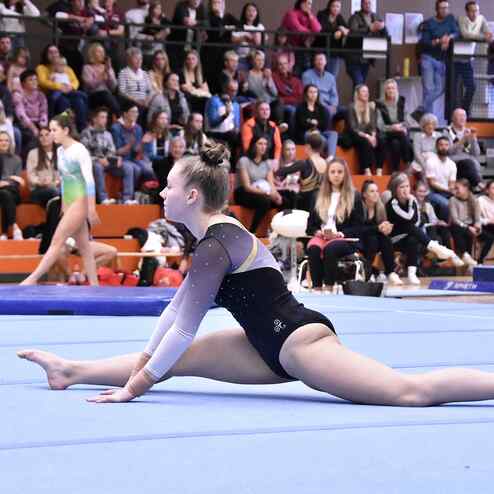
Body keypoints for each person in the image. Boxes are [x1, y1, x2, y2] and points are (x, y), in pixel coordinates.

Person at [18, 142, 494, 409]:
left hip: (300, 343)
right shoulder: (212, 240)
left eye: (168, 186)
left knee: (408, 393)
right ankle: (70, 371)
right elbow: (174, 313)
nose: (161, 192)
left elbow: (185, 329)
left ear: (191, 197)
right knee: (169, 361)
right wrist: (145, 364)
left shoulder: (216, 243)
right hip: (260, 344)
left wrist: (134, 388)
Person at [20, 111, 100, 285]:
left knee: (56, 241)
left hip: (81, 200)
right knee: (85, 248)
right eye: (50, 130)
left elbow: (89, 180)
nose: (51, 134)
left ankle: (31, 279)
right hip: (70, 201)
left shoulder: (79, 150)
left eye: (54, 130)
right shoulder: (61, 151)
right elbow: (64, 180)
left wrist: (91, 208)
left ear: (66, 130)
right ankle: (95, 285)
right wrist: (64, 206)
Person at [386, 173, 462, 285]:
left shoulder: (412, 201)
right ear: (395, 189)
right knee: (410, 227)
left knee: (413, 239)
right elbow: (409, 218)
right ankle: (436, 248)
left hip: (409, 235)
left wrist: (411, 202)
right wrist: (411, 202)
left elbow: (416, 220)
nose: (405, 190)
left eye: (407, 186)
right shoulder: (392, 203)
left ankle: (412, 273)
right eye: (402, 187)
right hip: (395, 239)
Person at [305, 157, 363, 291]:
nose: (336, 175)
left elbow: (359, 226)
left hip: (344, 239)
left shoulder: (355, 196)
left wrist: (340, 234)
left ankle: (329, 287)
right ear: (328, 175)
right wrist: (317, 232)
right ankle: (317, 288)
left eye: (339, 172)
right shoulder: (317, 195)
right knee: (313, 249)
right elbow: (310, 225)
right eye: (333, 172)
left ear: (345, 174)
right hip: (322, 237)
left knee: (330, 249)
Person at [81, 107, 135, 205]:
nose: (105, 120)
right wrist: (98, 159)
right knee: (97, 167)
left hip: (108, 162)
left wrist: (116, 159)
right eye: (102, 117)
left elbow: (112, 151)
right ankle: (103, 198)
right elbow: (84, 154)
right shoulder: (86, 133)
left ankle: (127, 199)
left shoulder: (107, 134)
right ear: (94, 119)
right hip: (94, 162)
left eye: (106, 117)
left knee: (128, 167)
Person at [234, 135, 283, 233]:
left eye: (265, 144)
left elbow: (271, 184)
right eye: (260, 144)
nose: (263, 146)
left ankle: (279, 231)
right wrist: (268, 193)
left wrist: (276, 195)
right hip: (243, 193)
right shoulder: (244, 161)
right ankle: (252, 231)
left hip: (262, 191)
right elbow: (247, 187)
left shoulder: (267, 163)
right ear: (253, 145)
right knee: (265, 201)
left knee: (283, 200)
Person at [418, 0, 459, 114]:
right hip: (428, 58)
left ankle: (420, 109)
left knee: (440, 89)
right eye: (442, 8)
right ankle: (428, 120)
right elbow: (424, 41)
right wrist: (439, 41)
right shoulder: (429, 23)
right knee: (428, 90)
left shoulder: (450, 19)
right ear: (437, 9)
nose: (445, 10)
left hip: (441, 60)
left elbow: (457, 32)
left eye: (446, 7)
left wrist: (448, 38)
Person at [360, 179, 402, 285]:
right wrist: (378, 228)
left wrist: (386, 228)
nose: (376, 194)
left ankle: (391, 272)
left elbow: (381, 226)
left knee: (385, 239)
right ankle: (368, 272)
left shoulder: (380, 207)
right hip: (360, 238)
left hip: (375, 239)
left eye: (377, 191)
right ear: (364, 194)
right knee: (373, 239)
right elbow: (359, 229)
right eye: (372, 191)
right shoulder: (359, 207)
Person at [275, 131, 326, 212]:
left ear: (308, 146)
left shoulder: (303, 163)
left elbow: (280, 172)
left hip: (306, 204)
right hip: (321, 202)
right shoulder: (326, 163)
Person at [456, 1, 492, 116]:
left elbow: (489, 35)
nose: (474, 13)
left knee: (471, 87)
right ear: (467, 12)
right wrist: (482, 37)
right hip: (455, 60)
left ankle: (464, 113)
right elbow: (466, 35)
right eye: (472, 11)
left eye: (476, 10)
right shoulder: (461, 19)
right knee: (454, 91)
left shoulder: (481, 19)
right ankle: (454, 116)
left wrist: (487, 36)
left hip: (467, 60)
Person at [346, 0, 387, 88]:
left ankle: (356, 97)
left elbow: (385, 35)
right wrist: (369, 29)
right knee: (359, 83)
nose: (367, 5)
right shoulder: (355, 17)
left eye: (369, 3)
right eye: (365, 3)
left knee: (360, 85)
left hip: (367, 57)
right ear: (361, 4)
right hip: (354, 57)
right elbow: (353, 33)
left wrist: (383, 27)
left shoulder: (375, 17)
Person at [376, 79, 413, 173]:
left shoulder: (402, 101)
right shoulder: (380, 103)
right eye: (388, 88)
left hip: (400, 130)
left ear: (396, 89)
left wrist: (401, 126)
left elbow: (408, 120)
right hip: (386, 133)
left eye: (393, 88)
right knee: (401, 134)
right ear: (385, 90)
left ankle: (395, 170)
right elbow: (379, 124)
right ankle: (407, 162)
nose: (391, 90)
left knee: (395, 143)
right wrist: (393, 128)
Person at [347, 84, 384, 176]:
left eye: (367, 91)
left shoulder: (370, 108)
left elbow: (373, 125)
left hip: (367, 134)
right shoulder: (351, 107)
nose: (366, 93)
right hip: (354, 135)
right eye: (363, 91)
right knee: (364, 142)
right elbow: (353, 128)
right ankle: (366, 169)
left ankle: (379, 170)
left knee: (381, 140)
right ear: (358, 94)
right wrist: (368, 136)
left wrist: (373, 136)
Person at [294, 84, 337, 158]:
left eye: (315, 92)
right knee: (321, 139)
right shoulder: (301, 107)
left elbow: (325, 124)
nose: (313, 94)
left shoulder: (321, 108)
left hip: (319, 132)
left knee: (333, 134)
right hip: (306, 132)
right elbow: (301, 123)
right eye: (310, 92)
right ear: (306, 94)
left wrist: (312, 122)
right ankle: (322, 156)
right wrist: (313, 125)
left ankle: (330, 157)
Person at [12, 69, 48, 157]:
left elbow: (44, 111)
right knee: (33, 137)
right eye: (31, 80)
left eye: (35, 79)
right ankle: (26, 161)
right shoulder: (18, 95)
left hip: (39, 123)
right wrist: (33, 128)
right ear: (23, 83)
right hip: (24, 125)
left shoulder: (41, 95)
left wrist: (43, 124)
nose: (34, 82)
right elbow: (21, 115)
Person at [446, 108, 483, 191]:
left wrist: (473, 139)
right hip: (454, 162)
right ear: (453, 118)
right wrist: (463, 140)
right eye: (460, 115)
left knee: (470, 163)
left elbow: (476, 153)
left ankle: (476, 185)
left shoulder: (468, 132)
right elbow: (448, 152)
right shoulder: (447, 131)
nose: (462, 118)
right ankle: (479, 184)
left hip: (470, 163)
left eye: (464, 116)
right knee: (469, 163)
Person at [281, 0, 321, 75]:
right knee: (296, 72)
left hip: (304, 48)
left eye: (310, 4)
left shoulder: (309, 15)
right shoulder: (291, 14)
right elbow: (298, 29)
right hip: (290, 48)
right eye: (307, 3)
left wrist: (310, 16)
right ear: (301, 3)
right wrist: (311, 32)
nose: (309, 6)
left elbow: (318, 29)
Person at [448, 178, 481, 271]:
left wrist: (477, 226)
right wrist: (468, 227)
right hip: (457, 225)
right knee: (459, 229)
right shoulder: (453, 200)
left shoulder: (474, 200)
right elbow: (455, 219)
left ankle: (472, 259)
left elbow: (477, 218)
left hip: (470, 225)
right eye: (455, 188)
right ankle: (465, 255)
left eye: (457, 188)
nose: (455, 191)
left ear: (466, 188)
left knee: (485, 235)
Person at [81, 42, 120, 117]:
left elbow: (113, 87)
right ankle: (119, 117)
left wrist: (108, 72)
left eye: (103, 52)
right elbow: (90, 86)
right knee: (105, 94)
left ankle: (116, 118)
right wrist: (103, 74)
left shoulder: (108, 68)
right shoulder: (87, 68)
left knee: (111, 96)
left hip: (107, 96)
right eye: (99, 51)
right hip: (93, 96)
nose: (102, 54)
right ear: (92, 54)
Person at [26, 126, 59, 208]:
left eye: (47, 135)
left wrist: (56, 182)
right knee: (55, 192)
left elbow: (65, 174)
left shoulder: (60, 153)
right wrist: (40, 182)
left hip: (57, 187)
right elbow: (30, 175)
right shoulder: (33, 153)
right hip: (38, 190)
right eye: (41, 135)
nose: (44, 138)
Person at [425, 136, 457, 222]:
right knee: (447, 204)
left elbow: (452, 183)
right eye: (441, 145)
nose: (444, 147)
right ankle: (447, 226)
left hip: (446, 193)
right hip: (432, 192)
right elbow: (432, 183)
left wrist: (452, 190)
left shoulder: (452, 164)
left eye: (446, 145)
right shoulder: (431, 161)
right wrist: (448, 190)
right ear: (436, 147)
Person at [315, 0, 349, 78]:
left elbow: (346, 29)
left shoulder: (339, 17)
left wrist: (341, 31)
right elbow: (323, 28)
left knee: (332, 77)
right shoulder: (322, 14)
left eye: (338, 7)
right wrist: (338, 28)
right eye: (333, 6)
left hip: (334, 51)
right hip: (321, 49)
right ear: (329, 6)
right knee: (319, 75)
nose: (335, 8)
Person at [414, 180, 451, 249]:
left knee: (444, 229)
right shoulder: (412, 204)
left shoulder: (428, 205)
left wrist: (439, 222)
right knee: (434, 233)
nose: (422, 194)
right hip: (419, 230)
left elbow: (433, 220)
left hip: (430, 228)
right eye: (420, 191)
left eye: (424, 192)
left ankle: (449, 252)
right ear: (414, 192)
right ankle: (437, 250)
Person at [0, 130, 23, 240]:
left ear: (10, 143)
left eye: (6, 140)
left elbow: (17, 180)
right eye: (1, 140)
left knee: (6, 194)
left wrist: (4, 181)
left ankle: (4, 233)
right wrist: (10, 178)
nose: (4, 143)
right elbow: (14, 178)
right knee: (5, 194)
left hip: (13, 191)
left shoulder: (16, 159)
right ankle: (14, 227)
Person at [301, 52, 338, 119]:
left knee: (344, 111)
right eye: (317, 60)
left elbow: (334, 95)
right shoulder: (307, 75)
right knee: (326, 112)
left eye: (321, 59)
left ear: (325, 62)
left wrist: (333, 106)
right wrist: (323, 106)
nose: (320, 62)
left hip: (329, 105)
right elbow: (308, 94)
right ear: (314, 62)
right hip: (314, 104)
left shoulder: (331, 77)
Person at [231, 2, 265, 71]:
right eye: (249, 10)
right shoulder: (238, 25)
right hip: (240, 57)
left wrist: (253, 38)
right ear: (244, 12)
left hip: (255, 58)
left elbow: (260, 44)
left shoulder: (260, 26)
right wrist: (244, 37)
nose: (251, 13)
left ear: (257, 13)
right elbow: (233, 39)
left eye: (254, 11)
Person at [179, 49, 211, 114]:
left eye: (193, 59)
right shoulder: (181, 73)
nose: (191, 61)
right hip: (188, 102)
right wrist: (200, 91)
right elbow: (185, 88)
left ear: (197, 61)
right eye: (188, 59)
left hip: (200, 103)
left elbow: (207, 91)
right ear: (185, 61)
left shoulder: (200, 74)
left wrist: (194, 90)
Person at [478, 180, 494, 264]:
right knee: (490, 238)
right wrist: (488, 221)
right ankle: (480, 261)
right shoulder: (481, 200)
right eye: (493, 188)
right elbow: (476, 218)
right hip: (484, 227)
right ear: (487, 190)